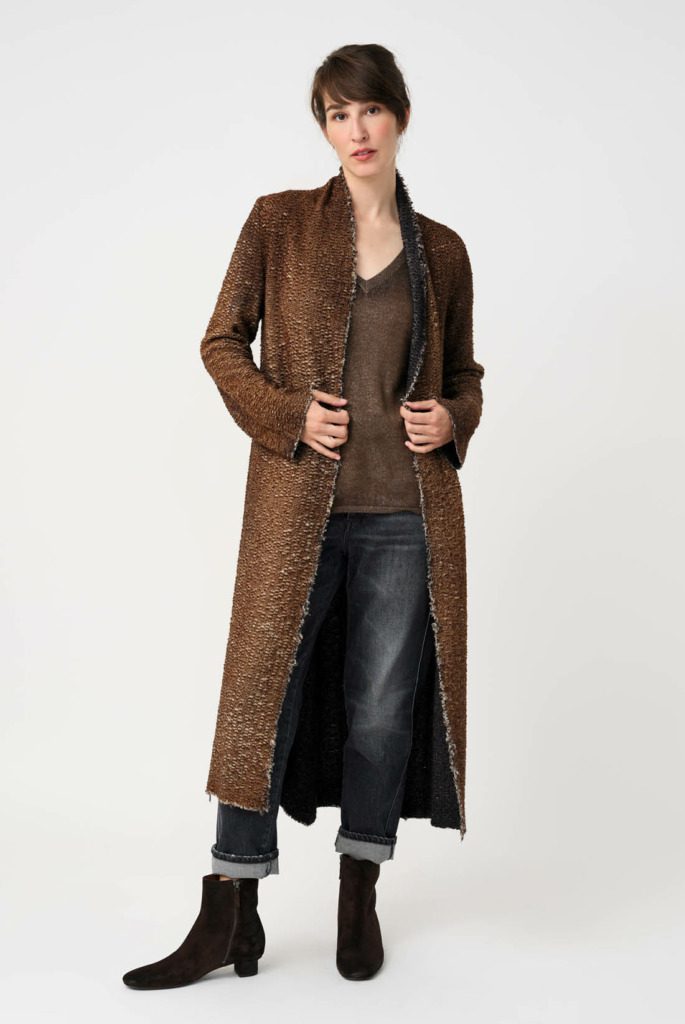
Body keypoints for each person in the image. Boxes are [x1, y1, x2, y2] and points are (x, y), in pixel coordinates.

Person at [123, 42, 485, 990]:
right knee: (260, 701)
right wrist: (290, 415)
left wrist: (453, 417)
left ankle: (358, 897)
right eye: (335, 114)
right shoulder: (279, 223)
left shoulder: (443, 250)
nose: (355, 130)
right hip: (297, 513)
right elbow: (220, 342)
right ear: (323, 128)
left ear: (399, 116)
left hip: (406, 517)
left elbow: (465, 377)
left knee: (380, 714)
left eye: (369, 110)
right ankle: (229, 913)